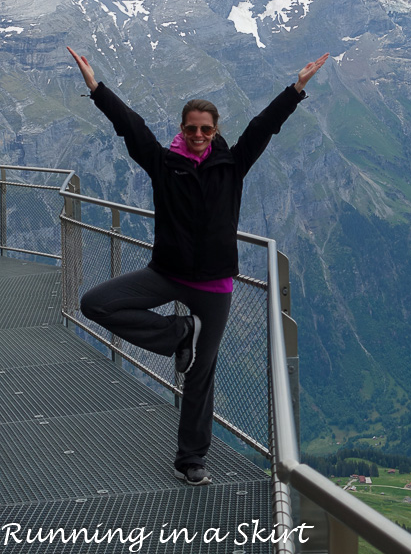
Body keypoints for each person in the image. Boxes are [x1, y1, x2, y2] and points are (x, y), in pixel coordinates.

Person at [67, 45, 328, 485]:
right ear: (182, 128)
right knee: (95, 303)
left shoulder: (232, 164)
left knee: (200, 376)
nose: (199, 135)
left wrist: (297, 88)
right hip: (165, 273)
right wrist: (96, 88)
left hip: (213, 288)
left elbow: (265, 128)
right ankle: (178, 333)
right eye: (192, 128)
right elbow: (131, 128)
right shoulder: (163, 163)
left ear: (215, 129)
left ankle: (191, 460)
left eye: (206, 128)